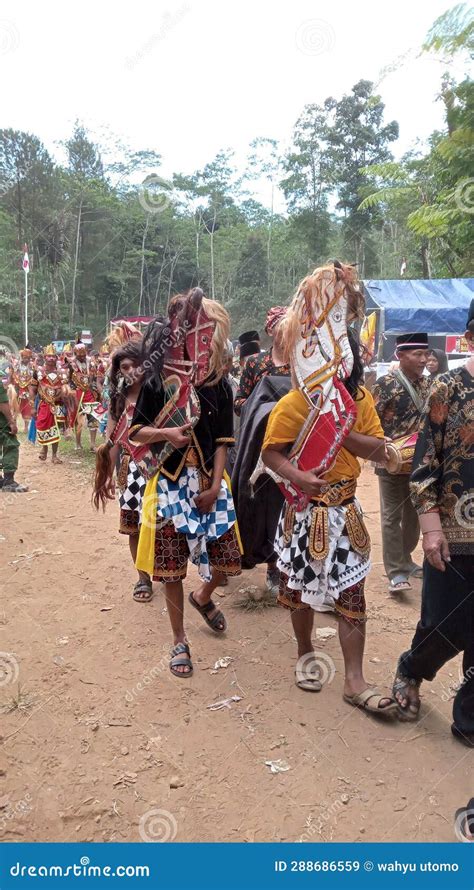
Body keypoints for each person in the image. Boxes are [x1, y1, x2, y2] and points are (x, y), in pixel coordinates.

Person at [262, 263, 396, 717]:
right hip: (303, 512)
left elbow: (379, 450)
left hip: (346, 511)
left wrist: (343, 428)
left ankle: (354, 680)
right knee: (298, 592)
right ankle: (304, 652)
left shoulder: (358, 400)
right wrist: (297, 477)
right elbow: (271, 454)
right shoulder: (292, 403)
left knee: (352, 595)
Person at [130, 293, 242, 679]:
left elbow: (225, 440)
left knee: (227, 565)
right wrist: (166, 433)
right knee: (172, 570)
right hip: (169, 486)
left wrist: (214, 487)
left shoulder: (220, 386)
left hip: (212, 485)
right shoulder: (159, 383)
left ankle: (203, 597)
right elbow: (135, 434)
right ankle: (179, 640)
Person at [392, 301, 474, 746]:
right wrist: (431, 528)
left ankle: (469, 718)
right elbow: (425, 467)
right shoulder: (447, 389)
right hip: (454, 533)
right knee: (444, 621)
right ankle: (413, 667)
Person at [233, 306, 291, 592]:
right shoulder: (255, 364)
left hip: (292, 448)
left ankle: (281, 565)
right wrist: (265, 409)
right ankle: (259, 557)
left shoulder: (301, 363)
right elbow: (240, 401)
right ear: (271, 330)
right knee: (259, 500)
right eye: (283, 326)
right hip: (258, 445)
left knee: (286, 502)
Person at [93, 341, 152, 602]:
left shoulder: (159, 393)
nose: (130, 371)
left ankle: (167, 570)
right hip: (131, 470)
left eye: (135, 364)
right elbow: (114, 440)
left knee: (161, 525)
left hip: (160, 469)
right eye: (124, 367)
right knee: (134, 527)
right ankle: (143, 578)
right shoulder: (118, 399)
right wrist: (106, 475)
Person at [373, 333, 430, 593]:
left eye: (426, 354)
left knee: (414, 517)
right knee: (391, 516)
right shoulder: (386, 384)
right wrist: (379, 443)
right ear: (400, 356)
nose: (424, 359)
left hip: (419, 463)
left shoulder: (428, 385)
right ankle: (396, 571)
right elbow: (371, 420)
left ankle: (406, 559)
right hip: (391, 460)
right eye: (418, 354)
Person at [30, 345, 67, 464]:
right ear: (45, 357)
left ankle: (54, 455)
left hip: (58, 405)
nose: (51, 358)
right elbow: (32, 388)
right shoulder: (38, 371)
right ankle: (44, 448)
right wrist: (32, 406)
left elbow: (66, 388)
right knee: (42, 425)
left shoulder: (61, 372)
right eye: (49, 356)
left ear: (56, 358)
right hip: (43, 403)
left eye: (53, 356)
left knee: (55, 429)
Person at [68, 341, 100, 452]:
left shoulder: (91, 363)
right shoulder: (70, 364)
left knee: (93, 418)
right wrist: (71, 391)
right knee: (78, 420)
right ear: (75, 354)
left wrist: (96, 390)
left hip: (90, 394)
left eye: (83, 355)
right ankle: (78, 443)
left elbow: (95, 378)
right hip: (77, 394)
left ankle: (92, 444)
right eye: (79, 355)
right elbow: (68, 380)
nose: (82, 357)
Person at [0, 377, 28, 492]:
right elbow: (2, 402)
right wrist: (11, 422)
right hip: (2, 423)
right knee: (11, 445)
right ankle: (8, 481)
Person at [10, 347, 35, 433]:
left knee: (27, 408)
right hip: (18, 388)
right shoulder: (17, 365)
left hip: (28, 389)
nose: (27, 359)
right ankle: (14, 425)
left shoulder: (32, 365)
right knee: (14, 407)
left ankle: (26, 427)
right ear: (22, 357)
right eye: (25, 358)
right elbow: (13, 374)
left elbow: (33, 376)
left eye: (28, 358)